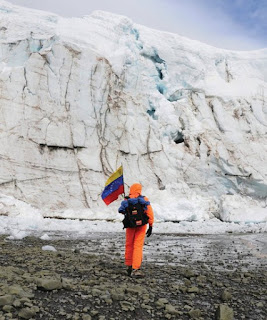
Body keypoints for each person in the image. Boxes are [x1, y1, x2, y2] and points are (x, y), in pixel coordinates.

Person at [118, 183, 154, 277]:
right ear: (139, 190)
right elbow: (149, 213)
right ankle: (136, 268)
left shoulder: (126, 200)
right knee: (138, 245)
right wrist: (150, 225)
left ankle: (129, 266)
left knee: (129, 244)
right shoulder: (144, 199)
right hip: (141, 225)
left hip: (130, 225)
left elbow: (121, 210)